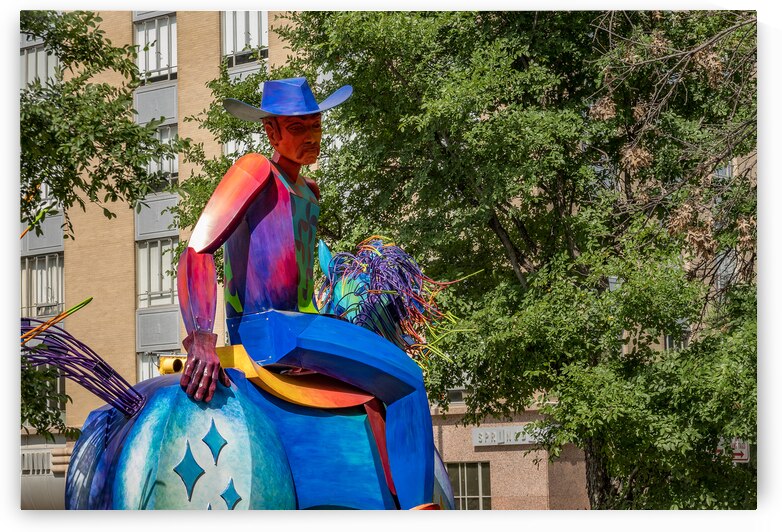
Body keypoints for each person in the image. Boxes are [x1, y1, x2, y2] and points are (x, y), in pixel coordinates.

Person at [175, 77, 436, 509]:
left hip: (302, 324)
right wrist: (201, 334)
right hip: (272, 331)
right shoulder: (255, 169)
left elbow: (301, 284)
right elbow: (198, 247)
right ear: (271, 131)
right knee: (409, 380)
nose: (312, 136)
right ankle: (420, 511)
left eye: (316, 125)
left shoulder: (310, 193)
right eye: (298, 127)